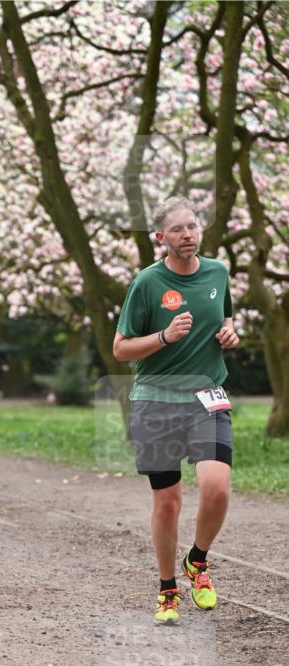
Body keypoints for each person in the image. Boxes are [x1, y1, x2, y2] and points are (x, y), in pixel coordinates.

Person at [113, 196, 239, 625]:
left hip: (208, 395)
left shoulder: (218, 272)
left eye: (193, 226)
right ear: (160, 237)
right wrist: (164, 337)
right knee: (167, 502)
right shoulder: (147, 284)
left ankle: (197, 561)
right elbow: (121, 349)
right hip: (157, 399)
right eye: (178, 229)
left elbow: (225, 316)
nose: (188, 235)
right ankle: (167, 589)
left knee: (217, 486)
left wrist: (229, 332)